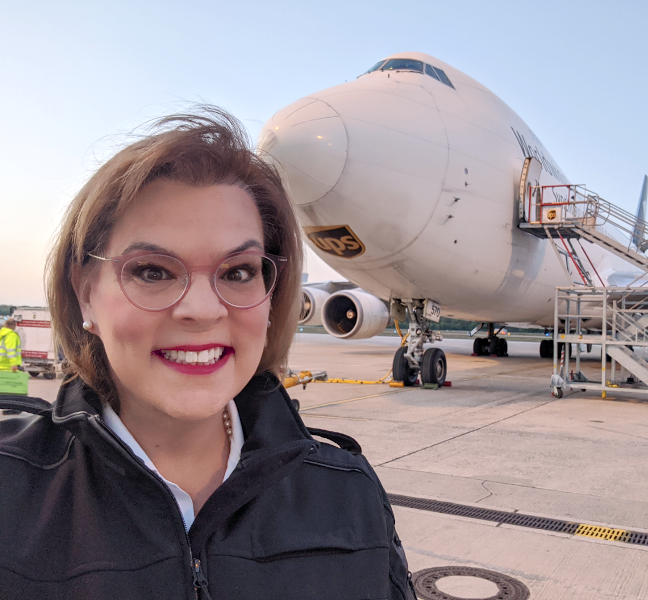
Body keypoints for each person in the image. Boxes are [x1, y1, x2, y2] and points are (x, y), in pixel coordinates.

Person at [0, 108, 416, 599]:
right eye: (153, 271)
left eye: (238, 271)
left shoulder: (348, 494)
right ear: (85, 292)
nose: (201, 309)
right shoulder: (11, 489)